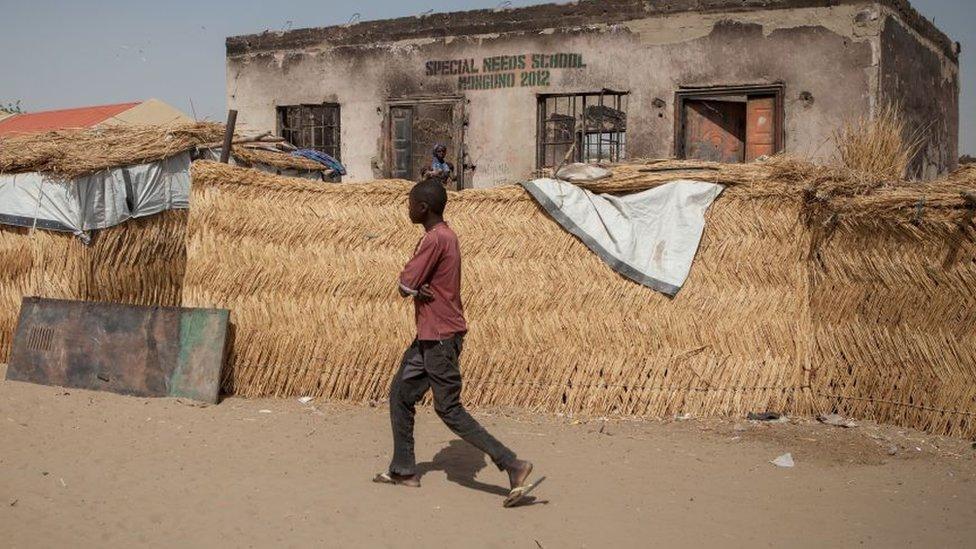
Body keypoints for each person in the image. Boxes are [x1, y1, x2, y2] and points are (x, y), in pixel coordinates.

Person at [373, 178, 536, 507]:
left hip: (440, 339)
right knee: (400, 394)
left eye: (410, 204)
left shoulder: (435, 239)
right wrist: (419, 290)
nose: (407, 209)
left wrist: (414, 289)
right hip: (430, 336)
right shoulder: (448, 236)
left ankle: (512, 464)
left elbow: (404, 284)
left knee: (449, 408)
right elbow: (416, 287)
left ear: (423, 208)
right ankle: (403, 469)